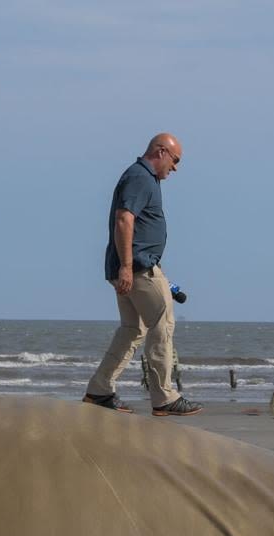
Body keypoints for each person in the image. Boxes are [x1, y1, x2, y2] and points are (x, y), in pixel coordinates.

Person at [83, 133, 203, 417]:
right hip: (136, 268)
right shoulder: (140, 177)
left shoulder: (144, 178)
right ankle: (164, 397)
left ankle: (99, 390)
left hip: (134, 266)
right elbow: (124, 219)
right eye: (174, 161)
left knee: (132, 330)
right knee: (162, 325)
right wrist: (127, 266)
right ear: (161, 152)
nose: (174, 169)